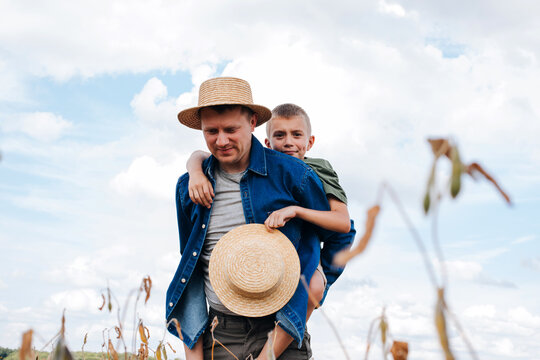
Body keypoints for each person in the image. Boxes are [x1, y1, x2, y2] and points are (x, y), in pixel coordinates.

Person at [166, 77, 354, 360]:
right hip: (220, 335)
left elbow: (341, 232)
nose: (221, 140)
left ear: (253, 122)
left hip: (282, 334)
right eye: (211, 131)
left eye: (231, 129)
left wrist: (314, 286)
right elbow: (191, 263)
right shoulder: (189, 187)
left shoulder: (294, 174)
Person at [187, 103, 353, 324]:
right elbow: (201, 155)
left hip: (314, 247)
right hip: (278, 255)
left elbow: (343, 224)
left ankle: (292, 330)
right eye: (280, 135)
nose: (288, 142)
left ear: (310, 142)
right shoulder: (270, 171)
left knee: (312, 287)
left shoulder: (318, 170)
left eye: (296, 135)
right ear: (267, 144)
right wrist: (194, 170)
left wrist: (296, 211)